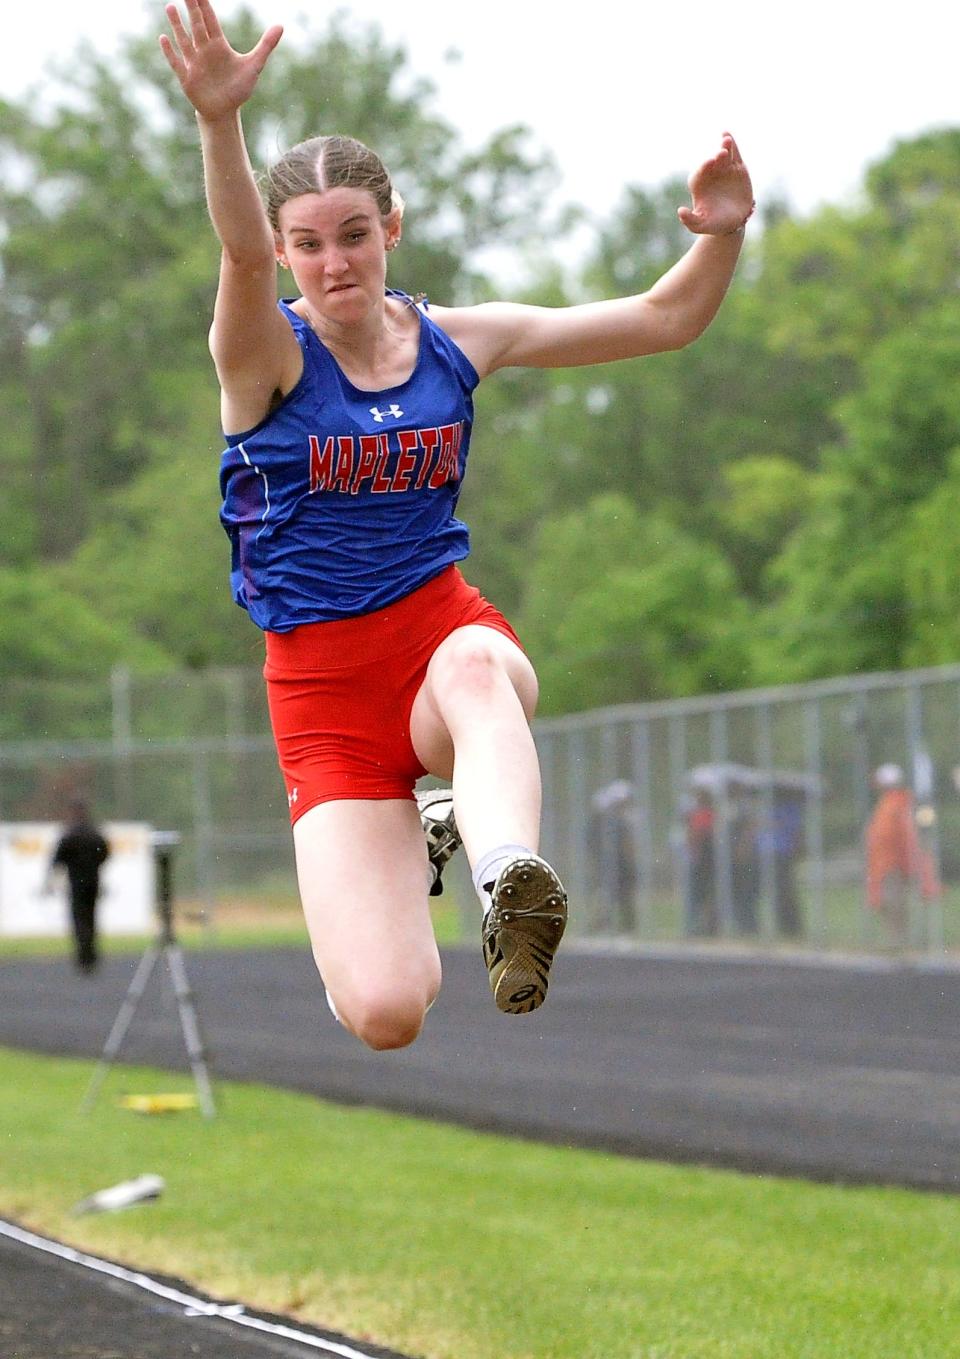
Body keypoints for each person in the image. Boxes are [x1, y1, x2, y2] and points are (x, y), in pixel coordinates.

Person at [158, 0, 754, 1050]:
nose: (334, 263)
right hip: (325, 693)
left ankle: (506, 882)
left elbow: (664, 319)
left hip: (442, 642)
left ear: (391, 230)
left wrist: (723, 233)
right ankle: (440, 822)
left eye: (354, 235)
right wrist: (219, 125)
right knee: (386, 1012)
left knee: (480, 674)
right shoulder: (267, 359)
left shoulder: (456, 342)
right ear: (287, 252)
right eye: (309, 245)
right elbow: (241, 259)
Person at [865, 763, 940, 946]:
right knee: (889, 901)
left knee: (895, 901)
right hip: (887, 861)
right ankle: (898, 938)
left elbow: (907, 831)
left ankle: (901, 940)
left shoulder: (899, 803)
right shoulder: (891, 802)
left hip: (895, 861)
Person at [47, 801, 111, 973]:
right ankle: (91, 956)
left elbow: (57, 858)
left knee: (79, 919)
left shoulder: (70, 835)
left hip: (76, 882)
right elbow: (105, 853)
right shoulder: (94, 834)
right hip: (92, 880)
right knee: (91, 918)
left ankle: (83, 956)